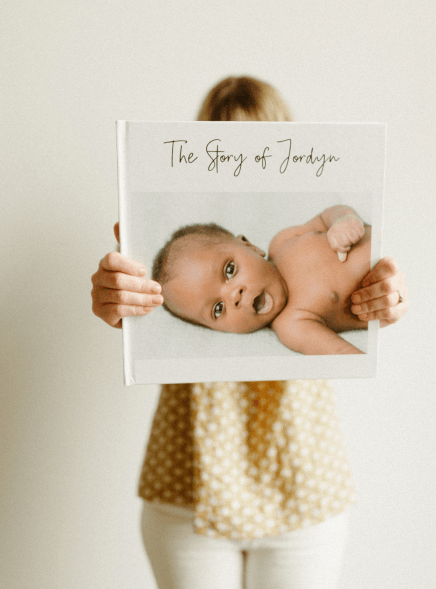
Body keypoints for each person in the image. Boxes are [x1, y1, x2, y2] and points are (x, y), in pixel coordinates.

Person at [91, 76, 409, 589]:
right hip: (186, 487)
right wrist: (120, 299)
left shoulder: (300, 242)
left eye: (258, 148)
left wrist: (382, 299)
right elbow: (143, 309)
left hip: (305, 480)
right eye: (223, 150)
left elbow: (356, 308)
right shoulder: (186, 257)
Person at [153, 204, 386, 355]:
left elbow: (326, 217)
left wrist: (344, 220)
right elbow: (343, 355)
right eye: (217, 309)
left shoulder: (283, 241)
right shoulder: (291, 325)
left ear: (250, 246)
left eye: (230, 270)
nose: (234, 295)